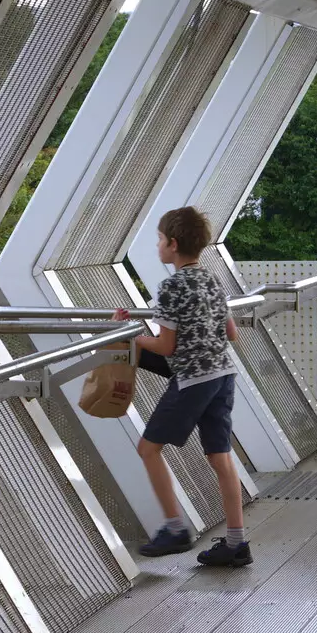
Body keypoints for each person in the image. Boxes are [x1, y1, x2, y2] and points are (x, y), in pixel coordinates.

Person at [117, 207, 250, 567]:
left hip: (193, 381)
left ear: (173, 245)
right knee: (220, 457)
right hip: (223, 375)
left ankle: (175, 528)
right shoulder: (211, 280)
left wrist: (133, 337)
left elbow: (166, 347)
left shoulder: (172, 286)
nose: (158, 245)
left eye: (160, 239)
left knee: (148, 448)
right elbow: (231, 333)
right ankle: (236, 542)